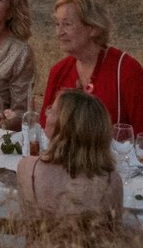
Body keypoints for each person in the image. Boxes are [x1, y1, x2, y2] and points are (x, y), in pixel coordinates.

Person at [40, 0, 143, 138]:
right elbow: (44, 126)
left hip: (114, 159)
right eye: (57, 24)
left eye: (67, 24)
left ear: (93, 28)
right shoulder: (59, 71)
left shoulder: (126, 70)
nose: (59, 33)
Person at [16, 88, 124, 226]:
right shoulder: (111, 180)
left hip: (39, 247)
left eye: (51, 111)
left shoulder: (27, 168)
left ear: (63, 125)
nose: (46, 114)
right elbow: (113, 233)